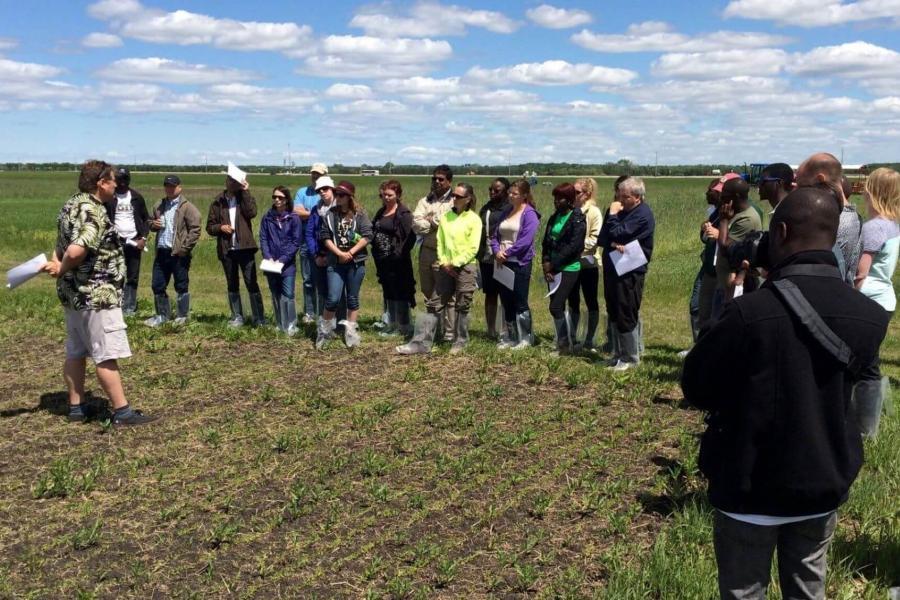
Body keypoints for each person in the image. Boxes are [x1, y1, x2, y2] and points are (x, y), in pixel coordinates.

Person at [682, 186, 889, 600]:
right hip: (821, 480)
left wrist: (737, 292)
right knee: (808, 590)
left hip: (749, 484)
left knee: (744, 591)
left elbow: (697, 386)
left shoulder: (747, 313)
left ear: (780, 233)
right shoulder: (868, 316)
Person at [41, 160, 156, 425]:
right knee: (105, 354)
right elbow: (75, 250)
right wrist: (63, 267)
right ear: (101, 182)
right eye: (113, 180)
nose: (116, 184)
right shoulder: (93, 210)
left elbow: (61, 246)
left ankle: (76, 407)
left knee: (76, 352)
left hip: (74, 295)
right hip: (97, 295)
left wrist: (59, 266)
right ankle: (122, 411)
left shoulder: (70, 205)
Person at [397, 183, 482, 355]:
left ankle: (460, 341)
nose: (454, 199)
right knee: (434, 303)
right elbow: (441, 242)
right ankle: (422, 342)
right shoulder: (446, 217)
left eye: (458, 197)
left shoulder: (474, 220)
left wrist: (456, 263)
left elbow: (473, 248)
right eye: (454, 196)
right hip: (445, 266)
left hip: (465, 267)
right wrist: (444, 262)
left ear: (468, 199)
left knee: (462, 305)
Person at [852, 167, 900, 436]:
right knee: (869, 360)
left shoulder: (874, 227)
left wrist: (848, 301)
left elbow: (860, 273)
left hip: (869, 300)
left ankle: (865, 428)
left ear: (874, 192)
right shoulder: (893, 224)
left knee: (864, 364)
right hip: (885, 300)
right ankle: (871, 416)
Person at [598, 176, 655, 369]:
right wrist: (613, 242)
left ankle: (631, 357)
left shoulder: (643, 214)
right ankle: (618, 353)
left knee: (626, 310)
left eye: (625, 197)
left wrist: (613, 218)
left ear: (637, 197)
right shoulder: (616, 209)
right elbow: (603, 237)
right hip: (612, 267)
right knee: (613, 309)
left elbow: (620, 233)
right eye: (619, 195)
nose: (620, 200)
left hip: (630, 270)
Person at [316, 180, 373, 350]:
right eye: (337, 194)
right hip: (335, 262)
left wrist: (350, 253)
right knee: (333, 298)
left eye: (341, 195)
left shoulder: (360, 214)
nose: (338, 197)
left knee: (352, 298)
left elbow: (367, 235)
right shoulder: (330, 214)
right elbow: (325, 236)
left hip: (356, 262)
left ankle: (350, 331)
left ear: (349, 197)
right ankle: (324, 331)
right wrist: (339, 253)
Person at [207, 171, 265, 327]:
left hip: (245, 248)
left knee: (251, 282)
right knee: (232, 283)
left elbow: (252, 213)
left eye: (236, 181)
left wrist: (246, 192)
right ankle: (237, 316)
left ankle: (259, 317)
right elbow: (209, 227)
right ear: (226, 181)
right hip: (227, 249)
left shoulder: (244, 198)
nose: (232, 183)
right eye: (230, 180)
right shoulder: (218, 201)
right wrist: (220, 227)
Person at [145, 175, 201, 327]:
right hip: (162, 250)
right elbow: (150, 223)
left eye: (172, 186)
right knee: (157, 284)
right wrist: (153, 225)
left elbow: (195, 229)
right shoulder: (159, 205)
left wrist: (184, 249)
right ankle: (162, 315)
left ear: (179, 187)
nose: (169, 188)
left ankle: (182, 316)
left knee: (181, 284)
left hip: (178, 253)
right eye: (167, 186)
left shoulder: (187, 207)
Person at [491, 179, 540, 350]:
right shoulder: (507, 211)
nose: (511, 196)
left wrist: (507, 253)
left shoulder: (530, 214)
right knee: (506, 300)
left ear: (524, 195)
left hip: (519, 263)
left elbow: (525, 241)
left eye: (515, 193)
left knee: (519, 299)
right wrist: (497, 251)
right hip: (501, 263)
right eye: (510, 193)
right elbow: (495, 235)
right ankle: (510, 336)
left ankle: (525, 337)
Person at [412, 165, 456, 342]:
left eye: (441, 179)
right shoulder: (425, 200)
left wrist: (431, 219)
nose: (436, 182)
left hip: (445, 253)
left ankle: (450, 333)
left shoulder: (455, 200)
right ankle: (433, 331)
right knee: (428, 292)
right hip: (426, 251)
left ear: (449, 181)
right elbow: (416, 224)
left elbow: (448, 222)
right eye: (434, 178)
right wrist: (432, 223)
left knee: (446, 294)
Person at [542, 183, 586, 354]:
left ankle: (564, 343)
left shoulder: (577, 219)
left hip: (569, 267)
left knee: (556, 306)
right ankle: (564, 341)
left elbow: (574, 246)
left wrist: (553, 264)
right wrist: (546, 263)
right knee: (555, 305)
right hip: (552, 267)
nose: (556, 201)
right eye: (555, 198)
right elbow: (546, 242)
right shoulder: (554, 218)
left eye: (559, 198)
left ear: (569, 200)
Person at [371, 180, 416, 337]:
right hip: (382, 260)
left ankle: (403, 326)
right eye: (384, 195)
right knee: (388, 291)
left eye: (390, 195)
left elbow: (409, 239)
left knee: (400, 292)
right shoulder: (380, 211)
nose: (386, 198)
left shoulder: (404, 214)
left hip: (398, 262)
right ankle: (392, 323)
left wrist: (397, 255)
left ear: (398, 195)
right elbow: (373, 230)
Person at [106, 167, 150, 316]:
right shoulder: (109, 198)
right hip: (115, 242)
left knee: (132, 275)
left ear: (129, 180)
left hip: (135, 241)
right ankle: (115, 304)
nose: (122, 183)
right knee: (115, 273)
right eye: (119, 180)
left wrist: (143, 238)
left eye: (125, 179)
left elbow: (146, 219)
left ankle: (129, 307)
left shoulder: (137, 197)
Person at [259, 185, 302, 336]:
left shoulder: (293, 218)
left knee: (288, 294)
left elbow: (296, 242)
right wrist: (267, 256)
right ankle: (279, 323)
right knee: (275, 293)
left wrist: (283, 259)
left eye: (280, 197)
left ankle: (291, 324)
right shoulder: (267, 217)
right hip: (271, 263)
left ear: (286, 200)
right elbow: (263, 238)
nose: (277, 200)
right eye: (274, 197)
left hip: (287, 264)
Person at [715, 177, 762, 302]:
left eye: (724, 194)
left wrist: (724, 220)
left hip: (736, 288)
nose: (721, 197)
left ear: (735, 196)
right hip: (726, 284)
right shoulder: (735, 213)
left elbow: (725, 247)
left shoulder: (747, 219)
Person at [294, 163, 329, 323]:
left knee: (325, 279)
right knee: (308, 279)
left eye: (319, 174)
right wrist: (315, 214)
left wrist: (307, 214)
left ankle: (324, 312)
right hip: (305, 242)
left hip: (325, 243)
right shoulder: (303, 192)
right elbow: (296, 212)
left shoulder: (327, 193)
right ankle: (309, 312)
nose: (315, 176)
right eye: (313, 174)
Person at [478, 177, 511, 339]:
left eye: (496, 190)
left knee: (505, 294)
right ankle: (490, 329)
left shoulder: (511, 208)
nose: (492, 192)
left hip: (504, 257)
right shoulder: (486, 208)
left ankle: (505, 329)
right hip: (486, 257)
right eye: (490, 189)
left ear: (506, 192)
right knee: (490, 293)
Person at [573, 177, 603, 351]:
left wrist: (575, 248)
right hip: (571, 263)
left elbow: (595, 239)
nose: (574, 195)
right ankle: (573, 336)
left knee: (591, 300)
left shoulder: (593, 212)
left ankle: (590, 338)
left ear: (587, 194)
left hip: (588, 262)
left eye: (577, 192)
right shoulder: (571, 209)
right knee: (573, 299)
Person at [305, 175, 337, 324]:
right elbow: (309, 233)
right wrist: (316, 255)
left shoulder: (339, 208)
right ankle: (323, 322)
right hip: (318, 256)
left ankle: (338, 321)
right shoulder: (315, 210)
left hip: (336, 256)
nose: (322, 192)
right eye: (319, 190)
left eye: (325, 189)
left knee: (335, 292)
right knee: (322, 290)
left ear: (332, 189)